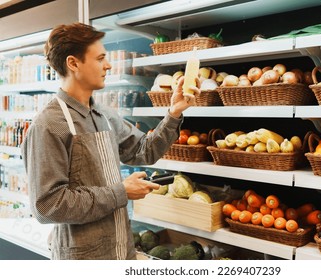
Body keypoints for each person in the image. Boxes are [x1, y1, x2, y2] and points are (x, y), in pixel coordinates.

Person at [21, 22, 200, 260]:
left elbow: (144, 151)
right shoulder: (48, 125)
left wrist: (174, 112)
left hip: (121, 251)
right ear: (73, 63)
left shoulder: (104, 115)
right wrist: (120, 192)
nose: (108, 65)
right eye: (100, 58)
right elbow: (48, 205)